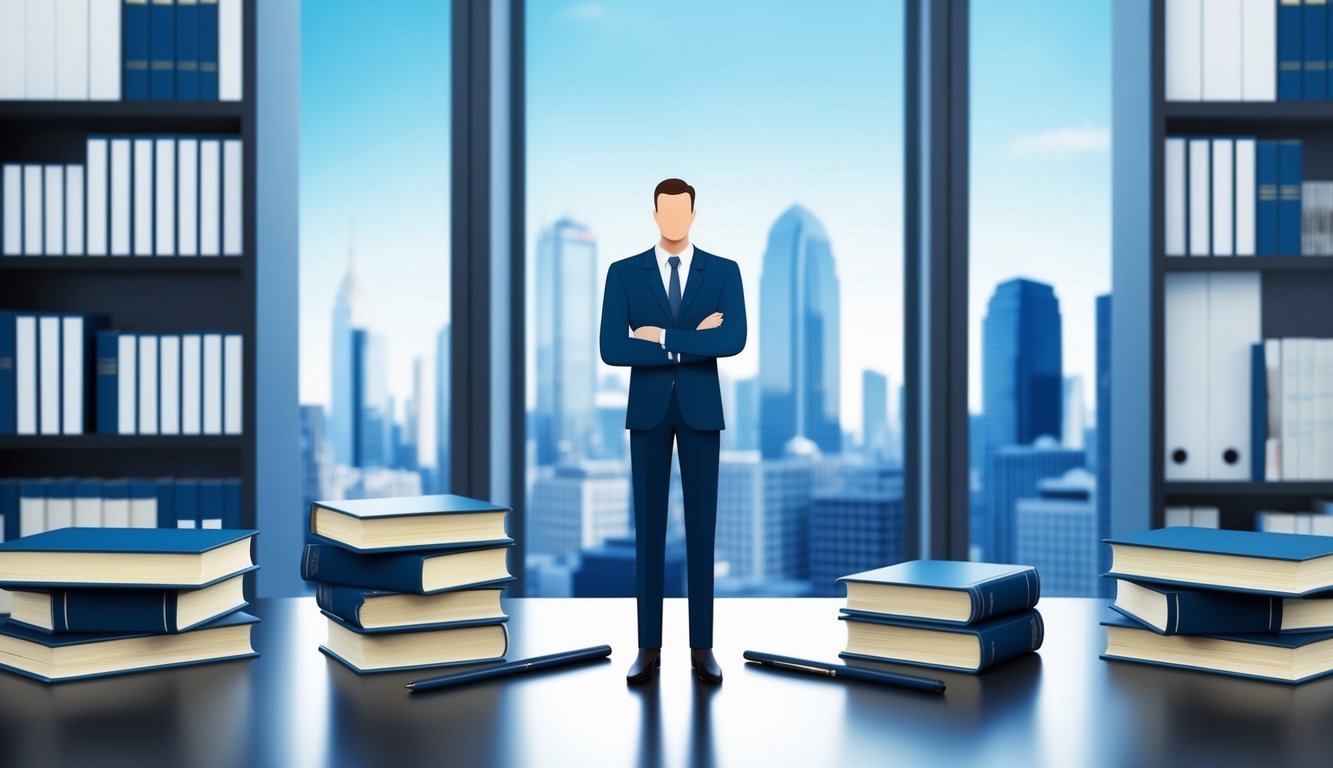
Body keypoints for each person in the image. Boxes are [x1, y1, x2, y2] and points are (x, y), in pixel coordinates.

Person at [597, 178, 747, 684]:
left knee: (703, 532)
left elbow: (734, 338)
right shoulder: (624, 274)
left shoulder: (724, 272)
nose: (675, 222)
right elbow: (612, 348)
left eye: (683, 213)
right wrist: (691, 339)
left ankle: (701, 648)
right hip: (649, 414)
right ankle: (648, 648)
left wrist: (660, 338)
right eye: (667, 213)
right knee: (649, 534)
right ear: (655, 215)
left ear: (694, 215)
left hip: (702, 412)